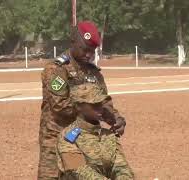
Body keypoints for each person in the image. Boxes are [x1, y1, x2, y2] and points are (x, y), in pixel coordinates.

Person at [38, 21, 127, 180]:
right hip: (57, 137)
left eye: (92, 51)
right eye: (85, 49)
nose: (89, 55)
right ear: (73, 43)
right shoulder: (56, 69)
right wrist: (89, 109)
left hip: (87, 141)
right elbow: (60, 106)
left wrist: (115, 118)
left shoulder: (94, 73)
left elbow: (103, 102)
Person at [57, 83, 134, 180]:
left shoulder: (108, 135)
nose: (100, 108)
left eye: (100, 104)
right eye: (94, 105)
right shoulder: (68, 137)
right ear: (78, 107)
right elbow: (79, 171)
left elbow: (121, 167)